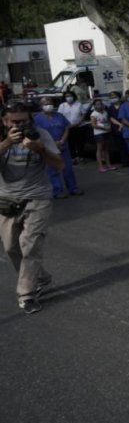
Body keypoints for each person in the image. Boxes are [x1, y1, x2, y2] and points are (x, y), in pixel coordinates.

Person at [0, 103, 64, 313]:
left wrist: (40, 149)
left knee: (30, 245)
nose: (19, 125)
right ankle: (41, 277)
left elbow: (59, 164)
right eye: (14, 121)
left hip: (38, 197)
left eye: (23, 121)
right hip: (7, 200)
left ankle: (26, 294)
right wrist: (7, 143)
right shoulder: (3, 137)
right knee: (11, 247)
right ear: (5, 121)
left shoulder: (41, 134)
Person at [33, 98, 82, 199]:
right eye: (45, 104)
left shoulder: (59, 116)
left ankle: (73, 188)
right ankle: (57, 190)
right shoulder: (37, 119)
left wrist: (62, 141)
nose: (48, 105)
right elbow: (37, 134)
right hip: (48, 148)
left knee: (68, 169)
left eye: (50, 103)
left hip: (62, 146)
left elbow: (66, 128)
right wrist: (50, 144)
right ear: (41, 106)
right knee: (52, 170)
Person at [57, 90, 87, 163]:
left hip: (79, 127)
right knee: (70, 143)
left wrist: (78, 123)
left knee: (80, 143)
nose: (69, 97)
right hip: (67, 128)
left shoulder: (78, 104)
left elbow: (83, 114)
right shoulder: (62, 105)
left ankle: (81, 157)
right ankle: (73, 158)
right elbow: (59, 116)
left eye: (70, 96)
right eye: (67, 96)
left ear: (73, 97)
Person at [89, 97, 116, 172]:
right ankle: (101, 166)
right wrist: (104, 128)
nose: (99, 105)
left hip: (106, 132)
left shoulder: (105, 112)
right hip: (99, 133)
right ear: (94, 106)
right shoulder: (93, 114)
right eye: (97, 104)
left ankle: (109, 165)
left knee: (106, 149)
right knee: (99, 149)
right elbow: (93, 125)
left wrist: (109, 127)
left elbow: (107, 121)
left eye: (100, 104)